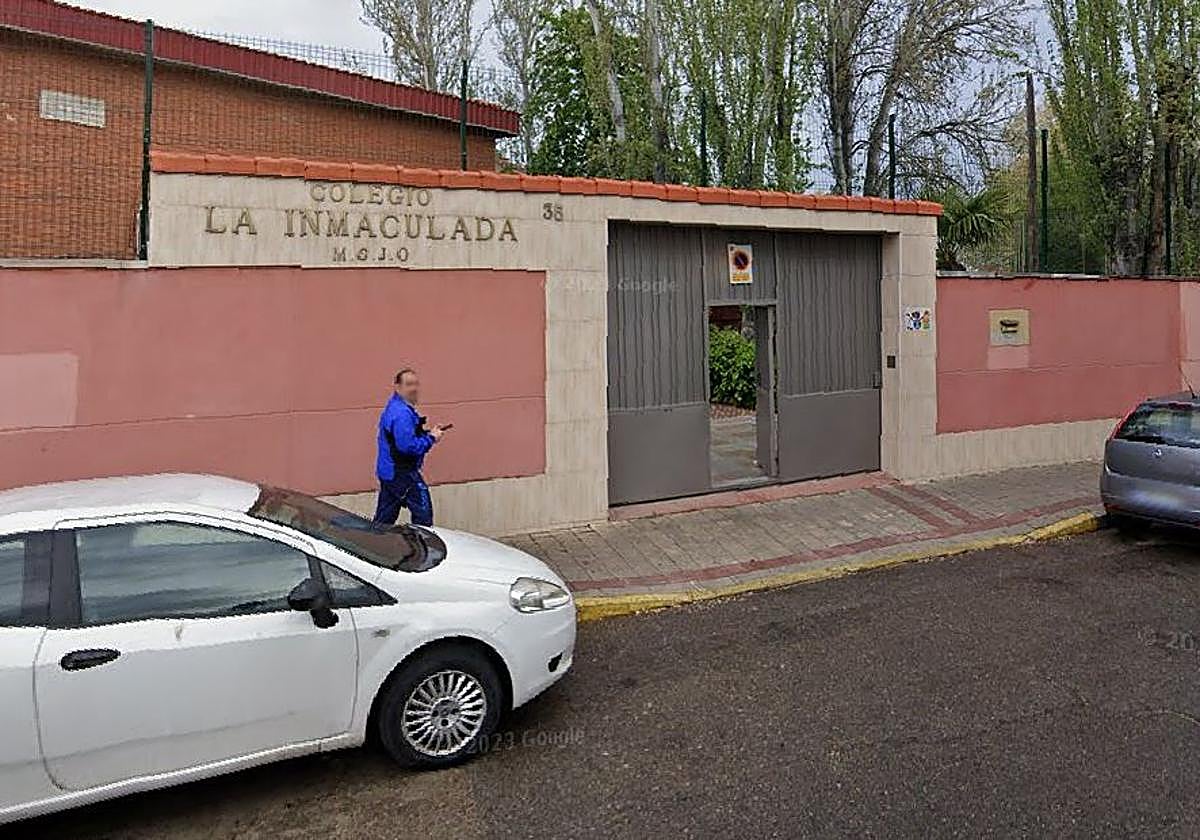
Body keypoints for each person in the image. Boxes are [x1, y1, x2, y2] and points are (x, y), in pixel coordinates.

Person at [373, 368, 447, 527]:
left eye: (415, 384)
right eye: (408, 384)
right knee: (423, 517)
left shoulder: (396, 407)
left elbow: (404, 438)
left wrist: (428, 433)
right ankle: (422, 543)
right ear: (397, 387)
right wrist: (431, 438)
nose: (414, 388)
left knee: (384, 520)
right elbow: (407, 447)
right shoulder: (401, 414)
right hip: (401, 473)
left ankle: (372, 540)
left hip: (388, 472)